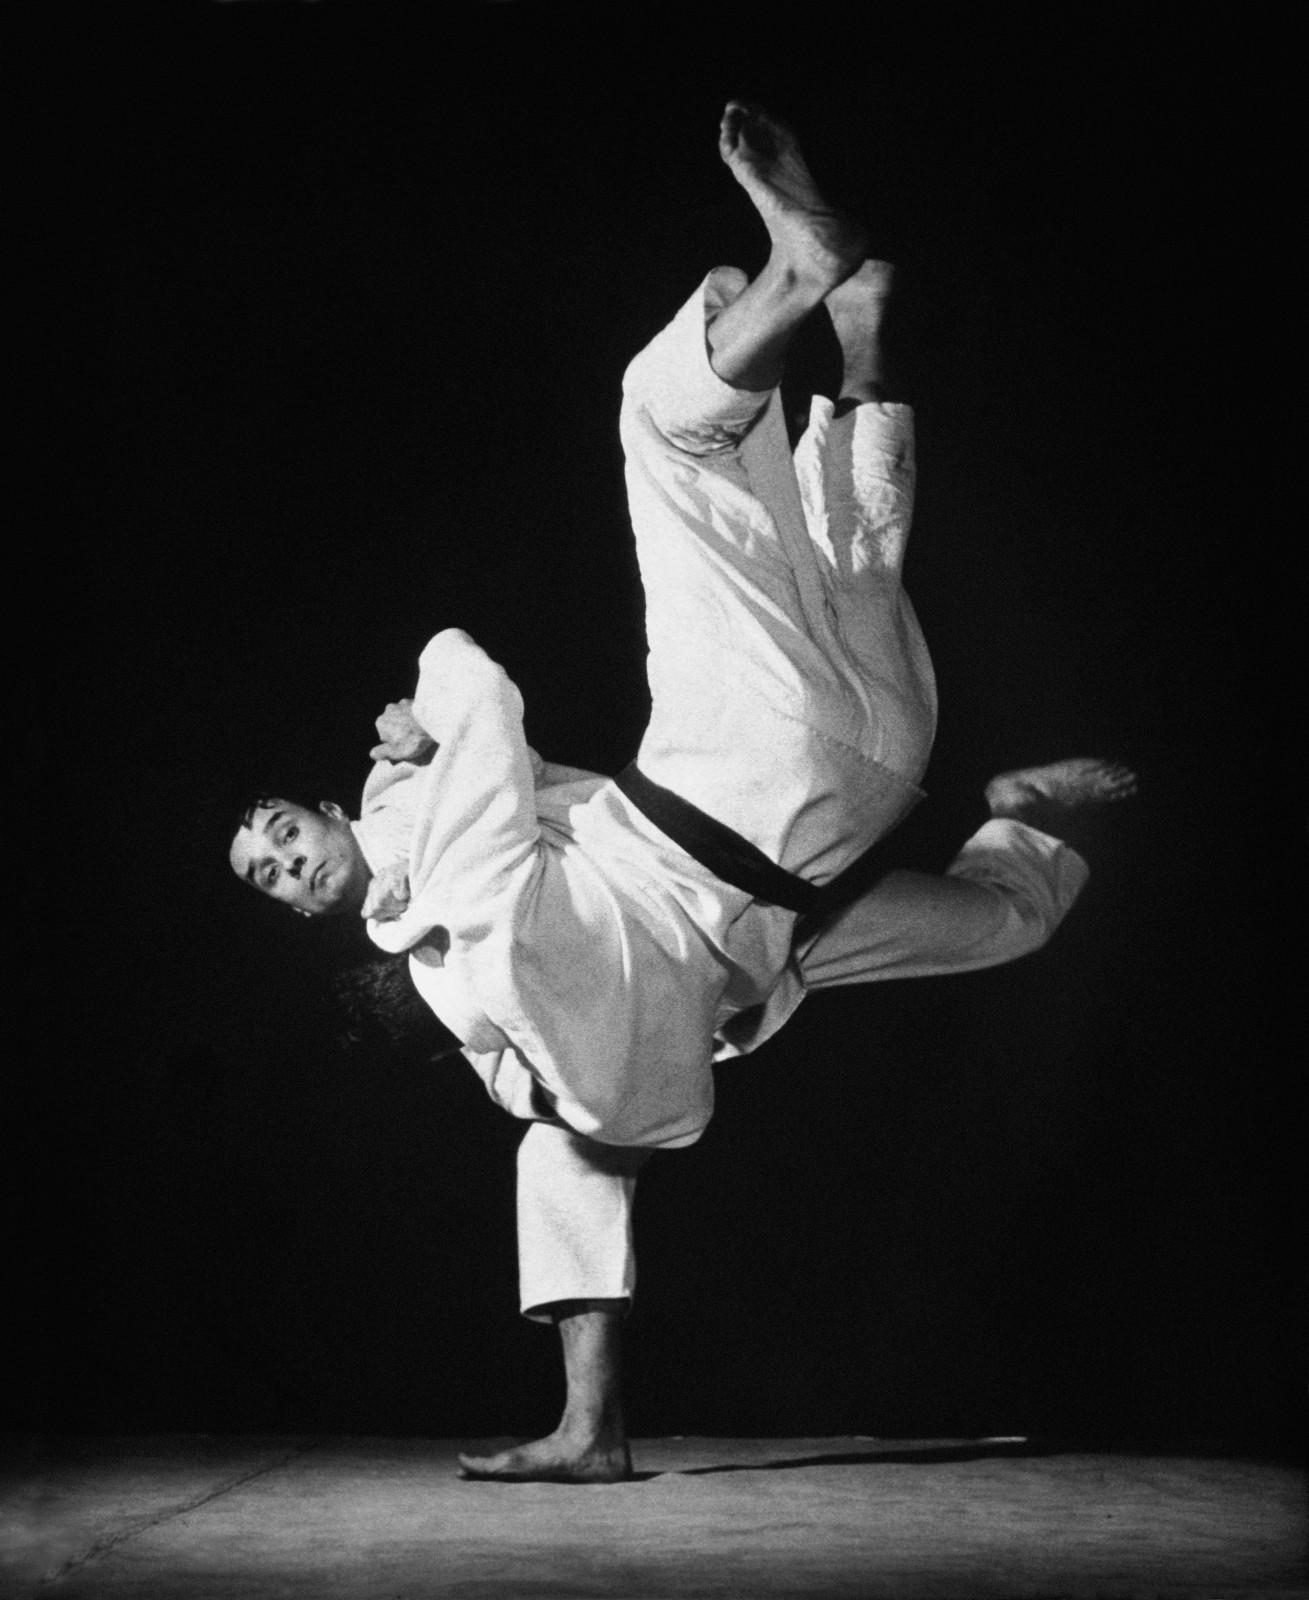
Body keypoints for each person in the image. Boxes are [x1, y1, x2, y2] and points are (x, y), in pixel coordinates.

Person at [229, 102, 1136, 1482]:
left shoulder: (442, 869)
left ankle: (832, 301)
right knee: (761, 502)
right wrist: (444, 734)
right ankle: (812, 304)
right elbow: (565, 1064)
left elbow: (475, 680)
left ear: (337, 814)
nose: (285, 864)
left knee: (994, 897)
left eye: (284, 834)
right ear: (295, 914)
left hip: (801, 794)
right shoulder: (440, 961)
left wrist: (424, 712)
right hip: (782, 852)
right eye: (267, 876)